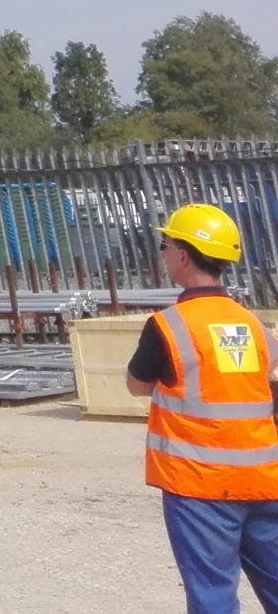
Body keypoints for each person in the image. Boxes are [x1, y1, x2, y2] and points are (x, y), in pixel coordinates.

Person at [124, 202, 278, 612]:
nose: (162, 254)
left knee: (213, 596)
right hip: (264, 480)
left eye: (165, 245)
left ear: (183, 255)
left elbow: (137, 385)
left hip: (199, 486)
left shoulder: (169, 325)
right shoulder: (252, 324)